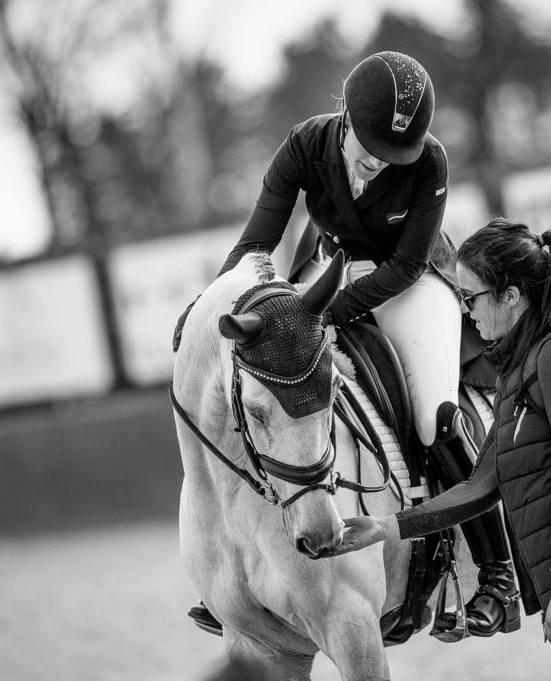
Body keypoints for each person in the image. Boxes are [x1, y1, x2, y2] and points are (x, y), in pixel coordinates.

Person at [189, 52, 519, 638]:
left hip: (411, 285)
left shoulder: (429, 162)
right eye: (367, 149)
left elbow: (408, 263)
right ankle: (242, 571)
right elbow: (255, 245)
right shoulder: (303, 147)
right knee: (260, 397)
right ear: (342, 118)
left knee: (433, 416)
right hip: (327, 275)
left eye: (391, 157)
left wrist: (328, 313)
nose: (375, 165)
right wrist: (215, 304)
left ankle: (496, 575)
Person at [329, 219, 551, 679]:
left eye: (470, 297)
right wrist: (384, 527)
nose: (465, 312)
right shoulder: (519, 369)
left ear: (511, 295)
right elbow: (480, 486)